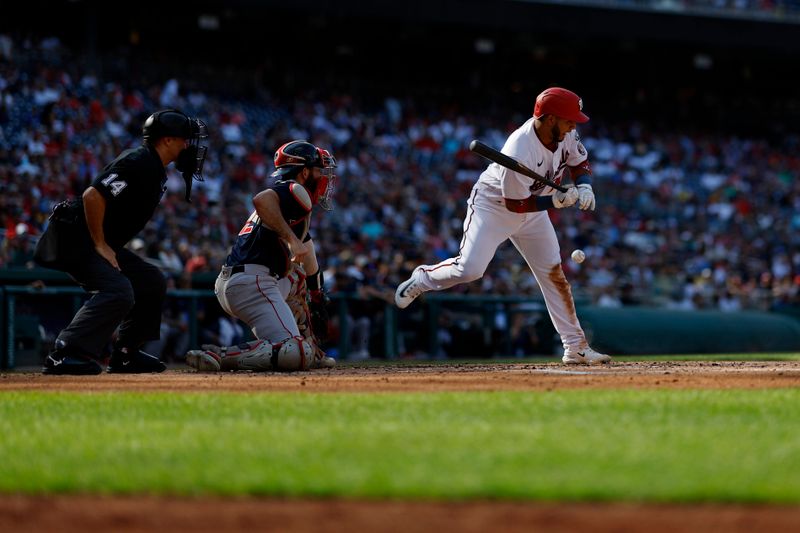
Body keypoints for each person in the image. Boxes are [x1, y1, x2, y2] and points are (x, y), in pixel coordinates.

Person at [394, 87, 611, 365]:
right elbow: (515, 205)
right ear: (549, 118)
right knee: (470, 270)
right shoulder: (519, 147)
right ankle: (423, 278)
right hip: (494, 206)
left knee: (553, 273)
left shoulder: (566, 133)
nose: (574, 124)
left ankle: (575, 346)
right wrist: (555, 202)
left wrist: (584, 187)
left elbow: (580, 163)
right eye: (569, 119)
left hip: (534, 209)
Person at [33, 109, 209, 374]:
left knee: (150, 281)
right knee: (118, 290)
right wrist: (101, 244)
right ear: (167, 140)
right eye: (184, 138)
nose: (188, 145)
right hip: (75, 237)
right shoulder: (139, 160)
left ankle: (126, 354)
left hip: (92, 238)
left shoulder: (155, 167)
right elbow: (93, 195)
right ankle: (64, 353)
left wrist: (106, 243)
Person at [185, 140, 337, 372]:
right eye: (319, 170)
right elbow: (262, 198)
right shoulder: (295, 190)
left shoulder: (293, 209)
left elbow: (310, 263)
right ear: (304, 172)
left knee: (298, 277)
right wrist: (292, 241)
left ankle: (310, 349)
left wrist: (317, 299)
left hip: (241, 281)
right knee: (294, 353)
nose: (324, 178)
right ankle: (221, 356)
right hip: (252, 283)